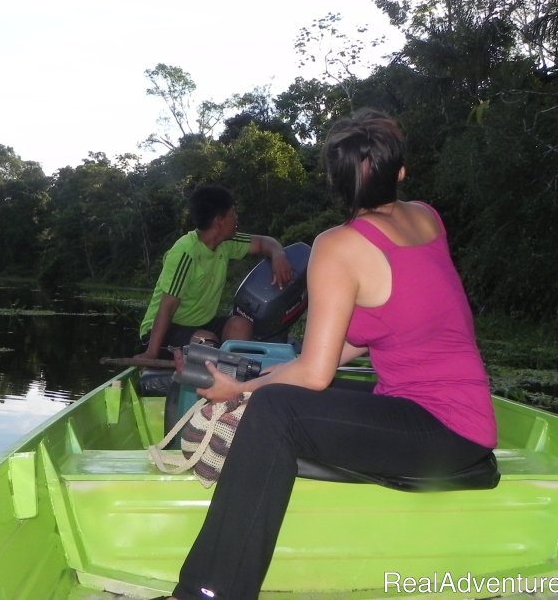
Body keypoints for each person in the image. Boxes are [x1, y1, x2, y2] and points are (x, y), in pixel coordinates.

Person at [166, 109, 498, 600]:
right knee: (282, 387)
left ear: (334, 182)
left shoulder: (337, 247)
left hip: (444, 433)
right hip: (450, 418)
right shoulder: (426, 217)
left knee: (274, 410)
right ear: (400, 173)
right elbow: (365, 335)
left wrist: (241, 389)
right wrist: (275, 371)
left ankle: (207, 592)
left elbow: (315, 376)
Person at [137, 185, 293, 361]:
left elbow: (264, 242)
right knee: (207, 344)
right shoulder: (184, 253)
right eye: (233, 213)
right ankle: (219, 370)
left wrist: (278, 254)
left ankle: (233, 378)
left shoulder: (226, 243)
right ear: (219, 221)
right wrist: (151, 353)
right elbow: (167, 308)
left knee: (240, 326)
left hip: (200, 324)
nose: (236, 218)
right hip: (163, 331)